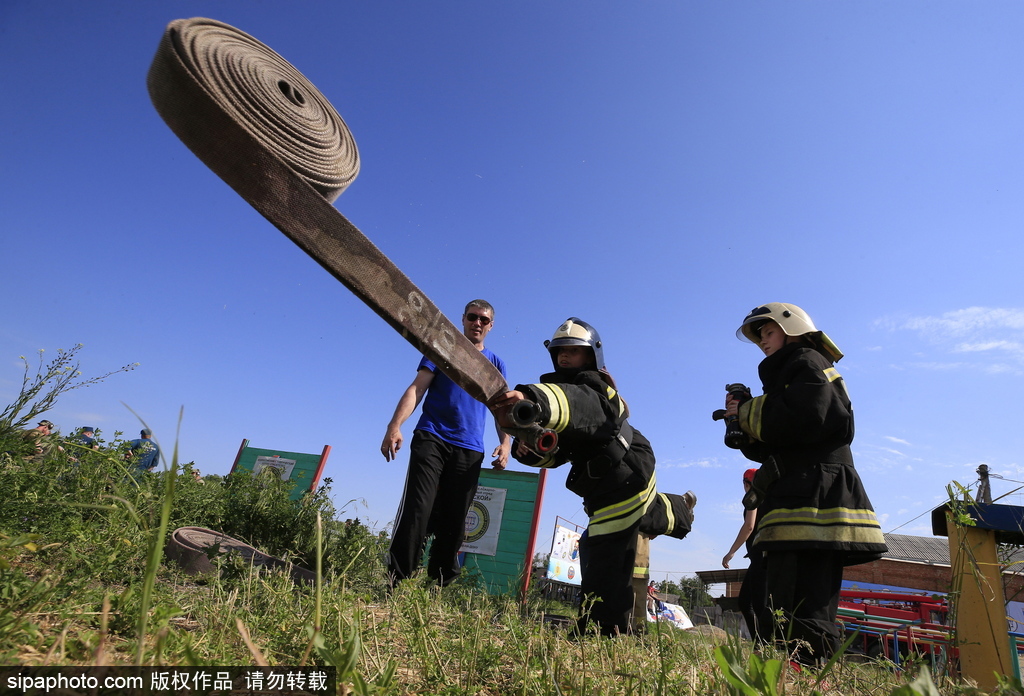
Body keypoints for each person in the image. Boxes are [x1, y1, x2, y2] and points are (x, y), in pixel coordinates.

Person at [490, 317, 696, 636]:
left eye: (573, 350)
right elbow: (558, 454)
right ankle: (679, 509)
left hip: (624, 474)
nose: (564, 355)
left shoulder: (595, 388)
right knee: (645, 514)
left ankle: (601, 632)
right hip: (610, 481)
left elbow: (578, 405)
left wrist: (534, 400)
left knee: (602, 556)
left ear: (592, 355)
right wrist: (527, 448)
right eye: (560, 351)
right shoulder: (564, 403)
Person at [723, 302, 887, 665]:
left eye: (769, 332)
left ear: (792, 329)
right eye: (759, 337)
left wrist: (749, 411)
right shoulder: (789, 372)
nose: (763, 341)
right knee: (772, 599)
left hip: (815, 496)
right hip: (796, 491)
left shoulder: (808, 361)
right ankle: (781, 671)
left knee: (805, 603)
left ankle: (810, 673)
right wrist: (743, 423)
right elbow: (779, 441)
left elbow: (810, 414)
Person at [381, 299, 512, 588]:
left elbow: (501, 408)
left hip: (470, 448)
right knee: (419, 508)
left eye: (484, 320)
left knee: (455, 519)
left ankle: (438, 585)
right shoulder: (443, 347)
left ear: (491, 326)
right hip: (432, 437)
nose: (477, 323)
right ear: (463, 319)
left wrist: (506, 444)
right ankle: (397, 581)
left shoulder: (495, 363)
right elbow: (417, 388)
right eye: (472, 317)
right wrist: (395, 425)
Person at [722, 468, 767, 644]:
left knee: (755, 604)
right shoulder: (769, 499)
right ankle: (761, 643)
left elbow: (749, 526)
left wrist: (731, 551)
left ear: (747, 483)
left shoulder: (754, 497)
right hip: (762, 556)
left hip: (760, 557)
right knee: (748, 602)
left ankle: (764, 644)